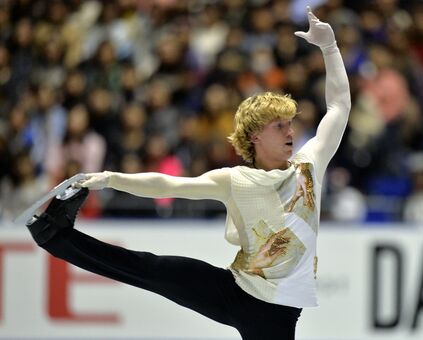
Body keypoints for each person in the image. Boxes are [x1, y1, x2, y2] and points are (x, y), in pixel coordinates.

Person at [24, 7, 350, 340]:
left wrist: (329, 48)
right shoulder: (235, 180)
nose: (290, 131)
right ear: (255, 136)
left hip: (275, 315)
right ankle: (55, 236)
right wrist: (110, 178)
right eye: (279, 125)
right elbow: (169, 184)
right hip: (234, 289)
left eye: (290, 124)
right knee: (149, 268)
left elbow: (339, 106)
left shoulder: (309, 165)